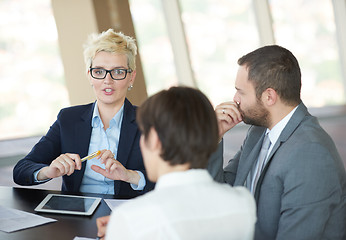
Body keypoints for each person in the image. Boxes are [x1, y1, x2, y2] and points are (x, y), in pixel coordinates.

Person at [207, 45, 346, 240]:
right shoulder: (258, 132)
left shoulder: (311, 154)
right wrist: (214, 137)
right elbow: (222, 194)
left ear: (269, 96)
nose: (235, 99)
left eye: (241, 92)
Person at [96, 86, 256, 240]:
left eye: (144, 134)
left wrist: (123, 230)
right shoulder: (243, 203)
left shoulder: (130, 218)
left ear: (155, 140)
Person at [13, 29, 154, 197]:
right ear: (90, 75)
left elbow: (173, 177)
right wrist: (48, 171)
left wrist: (131, 176)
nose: (107, 81)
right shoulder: (68, 119)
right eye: (99, 71)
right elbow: (21, 170)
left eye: (118, 71)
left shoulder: (150, 121)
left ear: (131, 77)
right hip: (78, 214)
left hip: (129, 213)